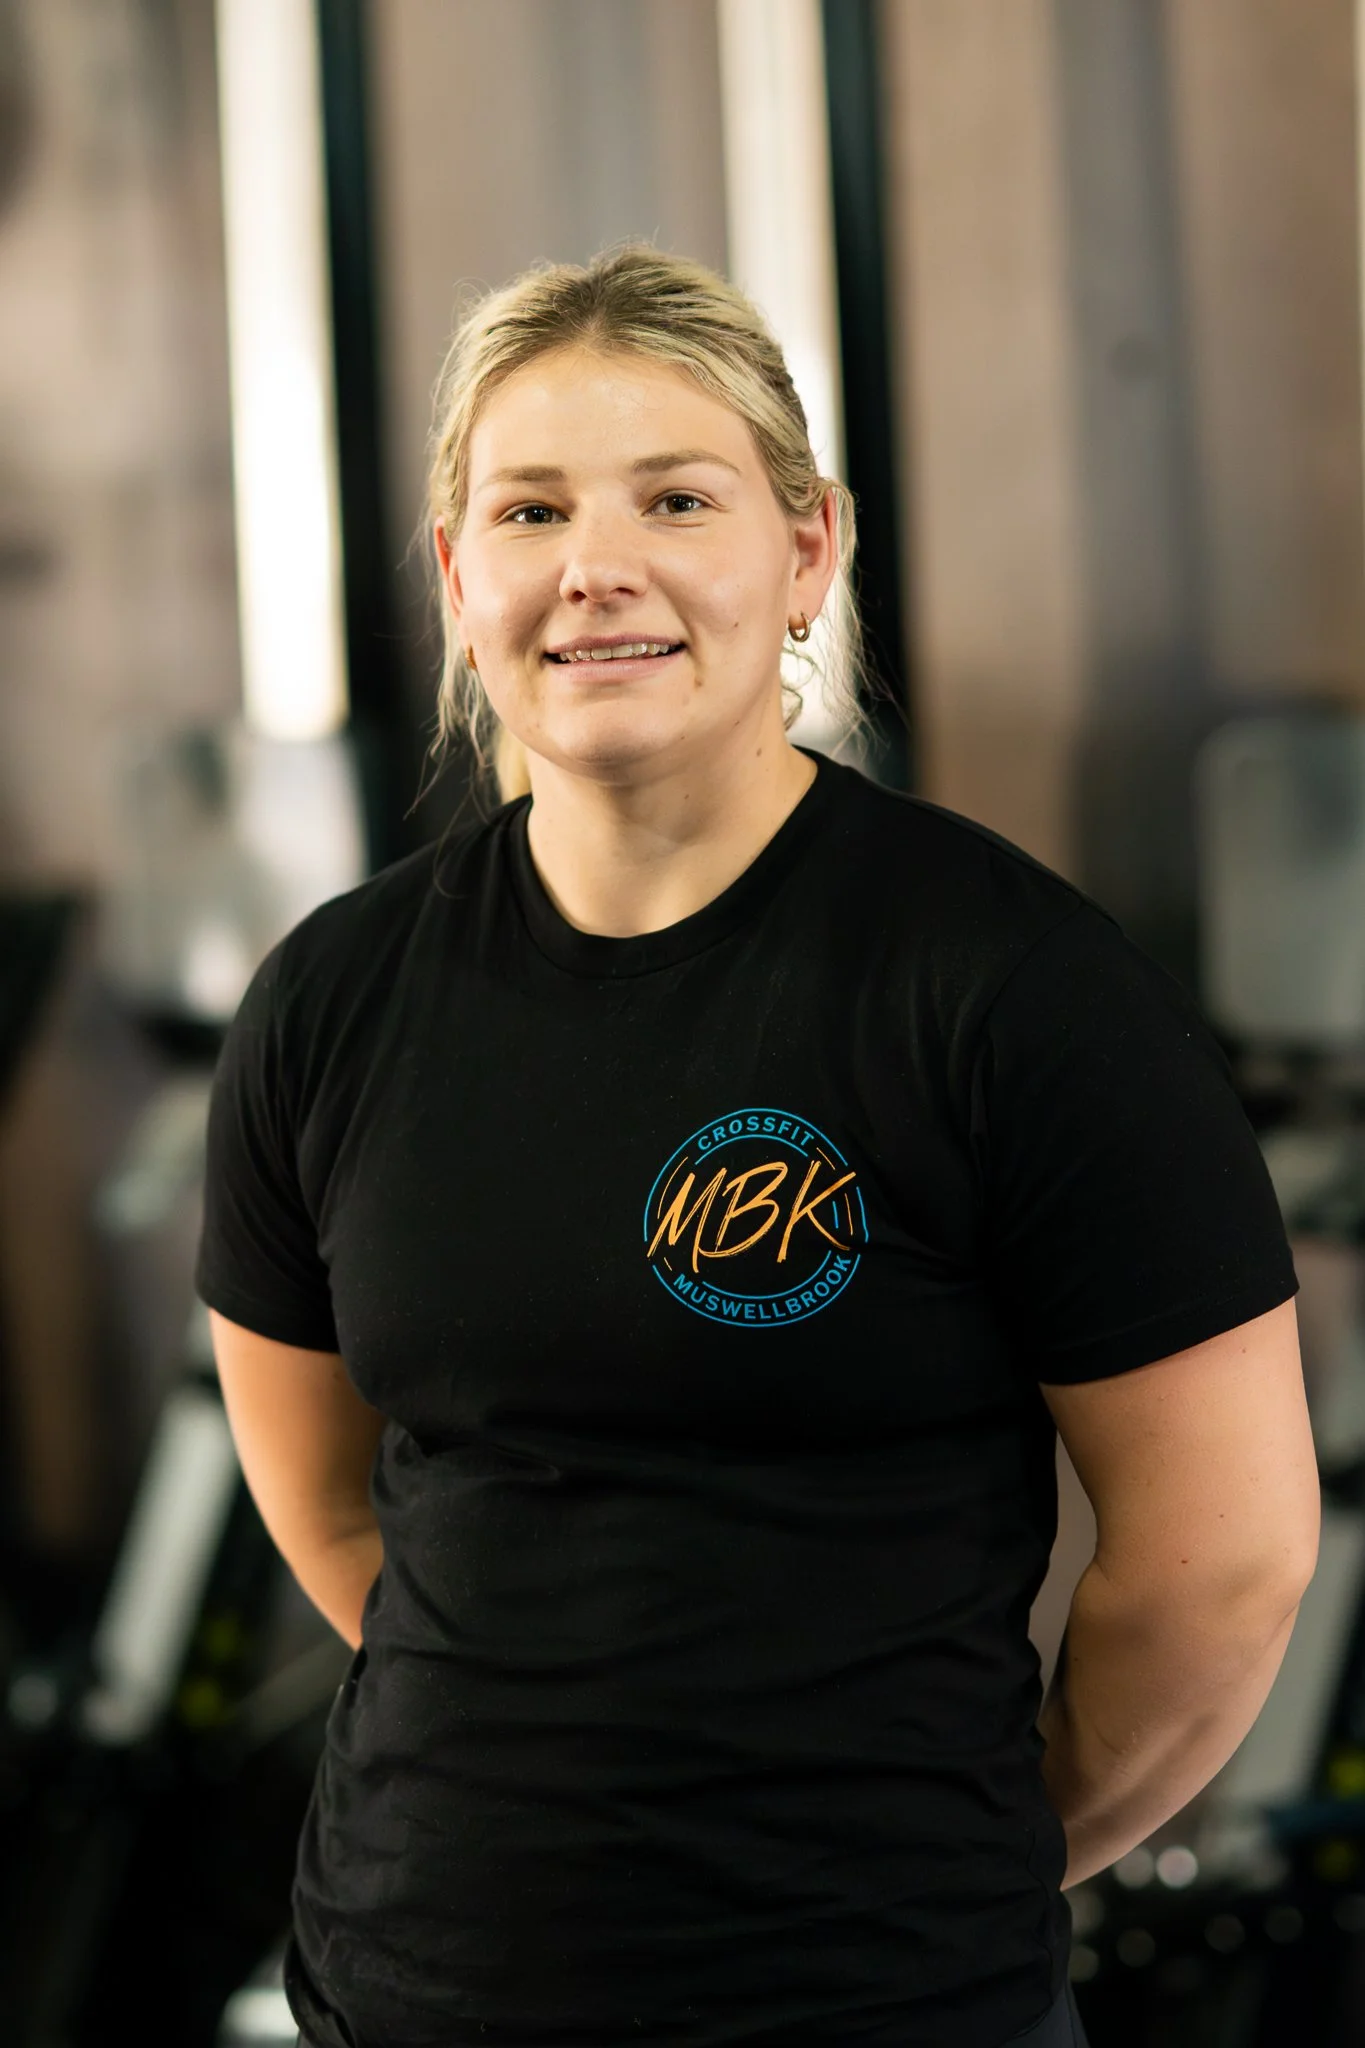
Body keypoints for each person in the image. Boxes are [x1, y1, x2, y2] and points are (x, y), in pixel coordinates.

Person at [195, 244, 1319, 2048]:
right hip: (412, 1984)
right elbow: (329, 1504)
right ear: (457, 575)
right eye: (532, 508)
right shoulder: (333, 1001)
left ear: (808, 550)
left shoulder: (1006, 987)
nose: (598, 565)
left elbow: (1228, 1562)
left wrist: (944, 1868)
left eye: (677, 497)